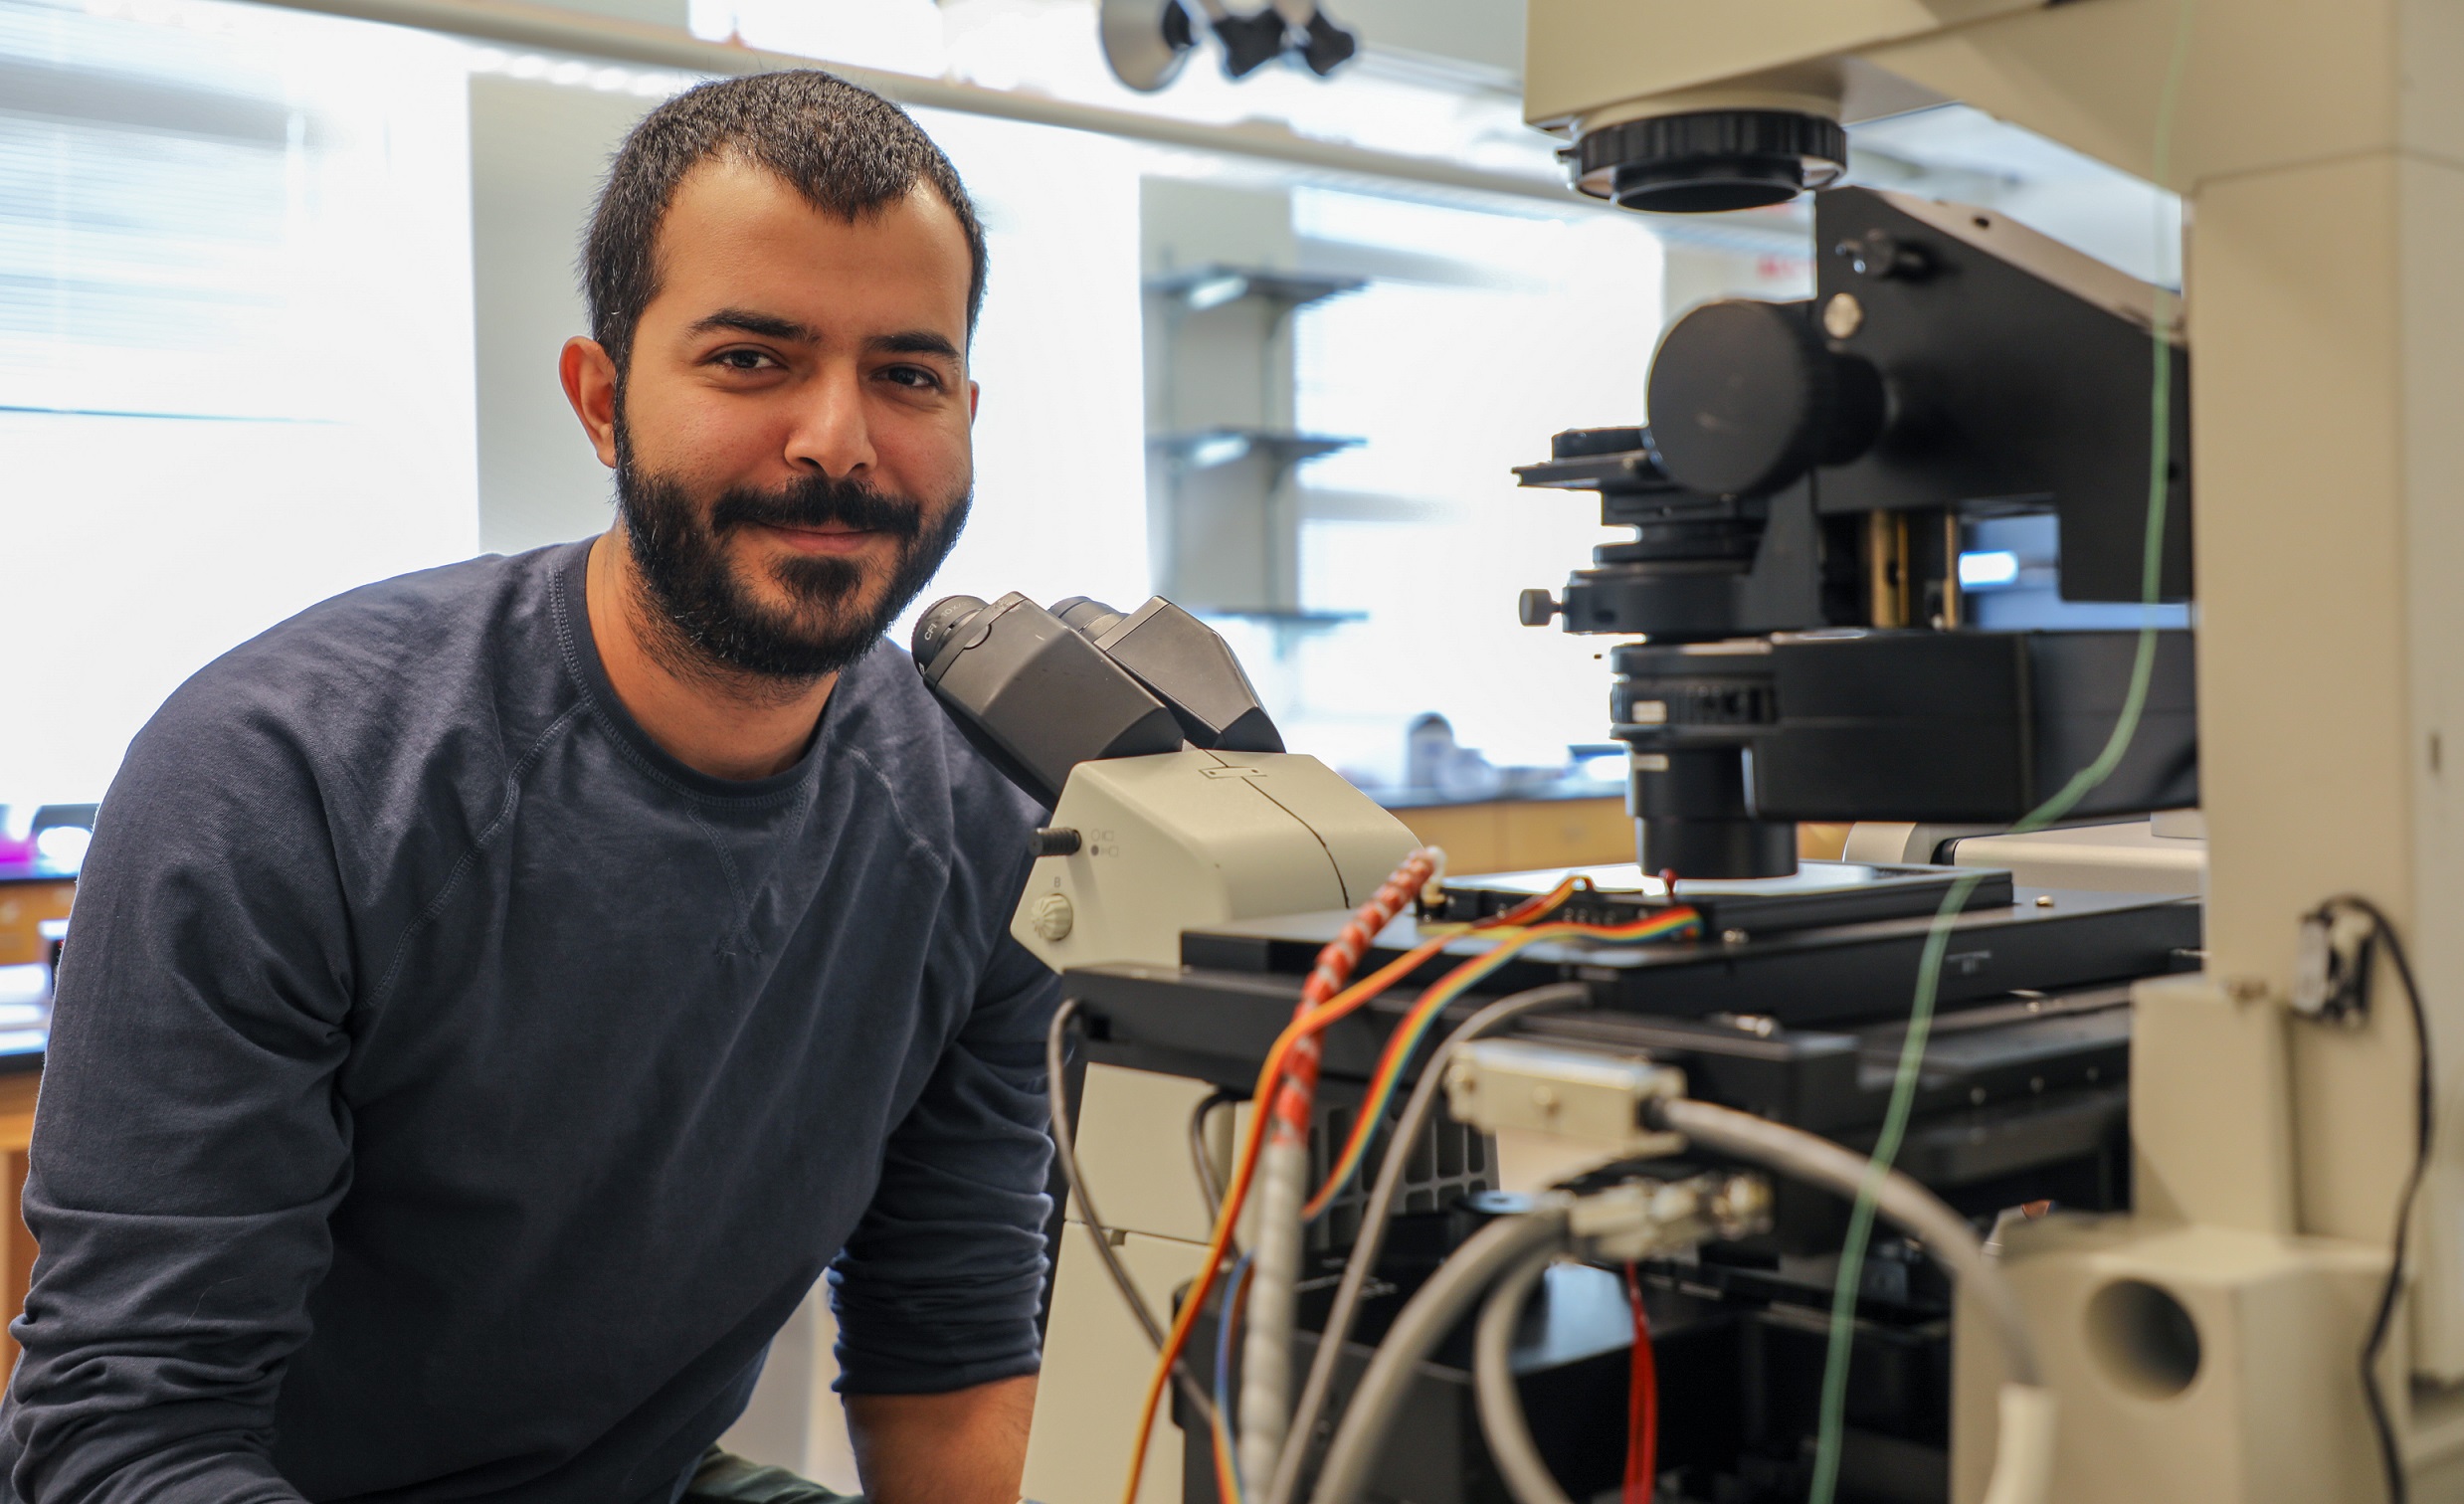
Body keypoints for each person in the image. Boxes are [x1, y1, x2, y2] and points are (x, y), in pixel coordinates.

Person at [1, 70, 1058, 1504]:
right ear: (603, 399)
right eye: (752, 359)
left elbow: (950, 1368)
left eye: (906, 375)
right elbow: (126, 1437)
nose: (838, 439)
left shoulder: (984, 822)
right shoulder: (283, 778)